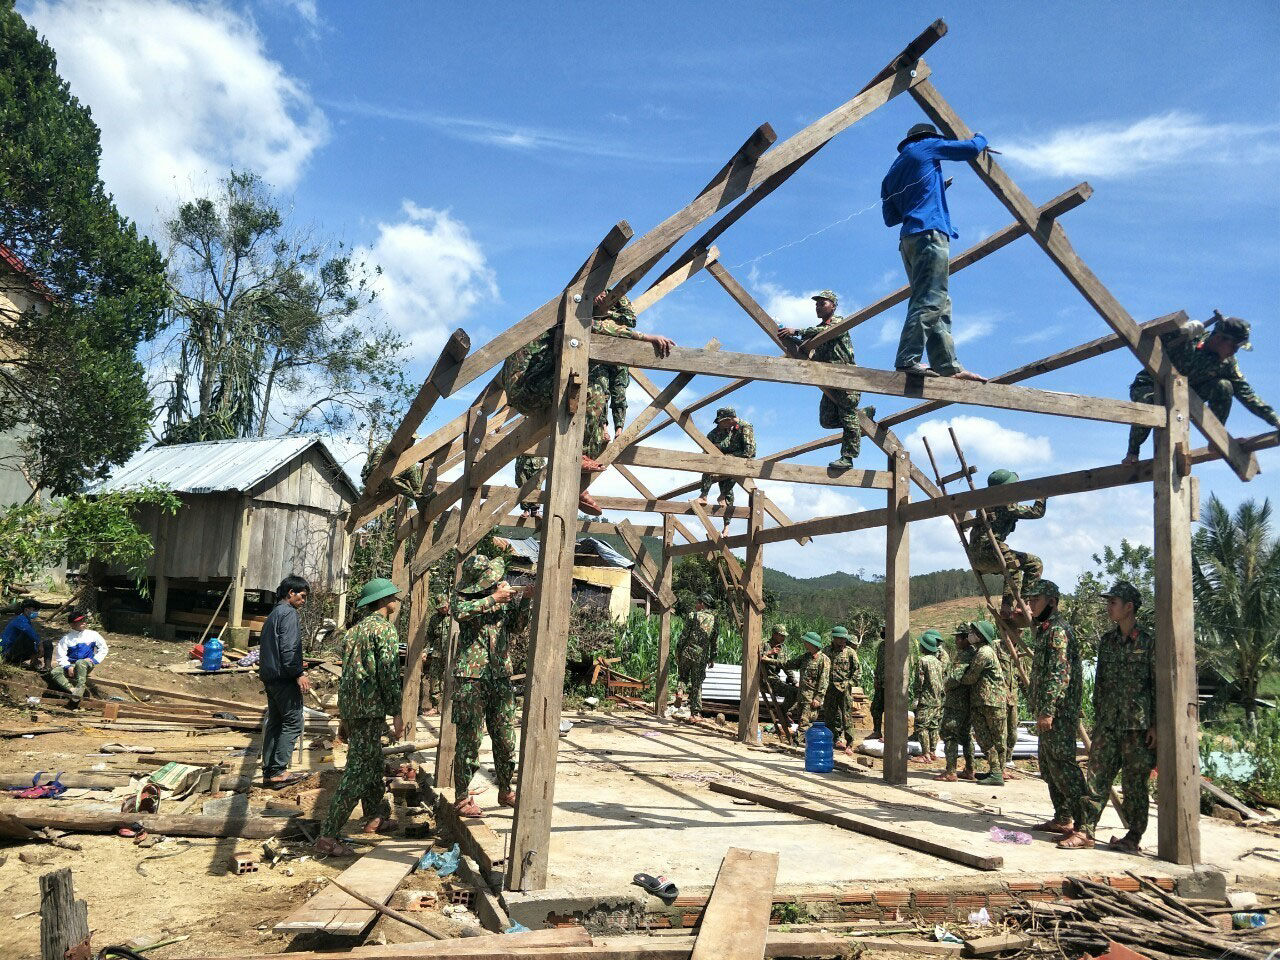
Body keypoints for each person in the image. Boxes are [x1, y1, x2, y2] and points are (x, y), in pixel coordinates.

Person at [501, 288, 675, 515]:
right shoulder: (573, 311)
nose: (603, 294)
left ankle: (578, 483)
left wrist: (617, 424)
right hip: (527, 386)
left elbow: (619, 386)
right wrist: (646, 337)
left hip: (535, 387)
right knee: (592, 382)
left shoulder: (591, 326)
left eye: (610, 297)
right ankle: (580, 458)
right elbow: (591, 325)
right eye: (600, 291)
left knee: (592, 382)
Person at [880, 123, 990, 382]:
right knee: (930, 299)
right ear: (928, 138)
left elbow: (890, 217)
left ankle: (947, 367)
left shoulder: (892, 172)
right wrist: (981, 137)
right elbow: (969, 149)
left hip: (908, 240)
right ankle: (907, 359)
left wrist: (931, 191)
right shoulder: (926, 146)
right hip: (929, 233)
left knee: (938, 300)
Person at [1066, 580, 1157, 852]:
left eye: (1112, 602)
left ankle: (1133, 837)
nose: (1108, 607)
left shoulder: (1149, 642)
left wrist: (1157, 725)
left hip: (1137, 727)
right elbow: (1102, 682)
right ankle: (1086, 831)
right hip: (1108, 723)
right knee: (1096, 776)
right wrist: (1098, 717)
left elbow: (1159, 685)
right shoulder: (1107, 641)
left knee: (1134, 784)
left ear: (1129, 607)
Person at [316, 578, 404, 856]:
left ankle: (375, 817)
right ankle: (328, 835)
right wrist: (397, 713)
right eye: (394, 597)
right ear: (384, 601)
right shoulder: (385, 631)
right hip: (371, 711)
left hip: (355, 709)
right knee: (357, 771)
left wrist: (344, 715)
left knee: (374, 762)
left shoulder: (352, 633)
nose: (397, 601)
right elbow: (388, 675)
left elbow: (347, 677)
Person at [1124, 313, 1278, 464]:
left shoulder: (1227, 364)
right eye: (1234, 347)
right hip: (1150, 384)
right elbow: (1149, 338)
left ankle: (1215, 438)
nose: (1234, 352)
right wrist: (1178, 331)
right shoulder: (1189, 338)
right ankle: (1133, 452)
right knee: (1150, 404)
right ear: (1219, 338)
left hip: (1184, 395)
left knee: (1223, 386)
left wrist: (1276, 421)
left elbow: (1248, 395)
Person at [451, 553, 532, 817]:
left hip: (499, 678)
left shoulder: (502, 601)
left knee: (505, 737)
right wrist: (492, 600)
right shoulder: (463, 599)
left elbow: (517, 627)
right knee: (469, 740)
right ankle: (462, 797)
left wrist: (525, 601)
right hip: (471, 678)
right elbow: (459, 613)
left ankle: (506, 789)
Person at [1021, 580, 1089, 841]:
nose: (1031, 605)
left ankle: (1084, 828)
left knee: (1064, 768)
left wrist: (1048, 709)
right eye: (1030, 600)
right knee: (1049, 768)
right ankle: (1063, 818)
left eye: (1035, 600)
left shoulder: (1058, 631)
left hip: (1059, 713)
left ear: (1051, 601)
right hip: (1048, 711)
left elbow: (1059, 674)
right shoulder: (1046, 630)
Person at [779, 290, 866, 470]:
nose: (818, 307)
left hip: (846, 378)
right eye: (817, 304)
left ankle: (848, 458)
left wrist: (797, 330)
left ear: (833, 306)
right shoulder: (817, 332)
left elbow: (823, 332)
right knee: (826, 420)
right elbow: (815, 345)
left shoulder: (838, 323)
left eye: (823, 303)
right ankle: (863, 415)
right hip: (829, 380)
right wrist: (794, 340)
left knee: (848, 416)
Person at [258, 575, 311, 788]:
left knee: (275, 722)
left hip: (271, 677)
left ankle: (269, 771)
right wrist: (298, 672)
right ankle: (279, 770)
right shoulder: (288, 614)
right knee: (292, 722)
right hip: (284, 678)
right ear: (291, 593)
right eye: (302, 596)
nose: (304, 601)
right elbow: (288, 649)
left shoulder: (273, 615)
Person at [969, 469, 1045, 609]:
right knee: (1035, 563)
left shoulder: (983, 505)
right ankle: (1024, 604)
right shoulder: (1005, 504)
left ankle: (1006, 607)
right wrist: (1042, 494)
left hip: (975, 558)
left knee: (1013, 566)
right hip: (991, 553)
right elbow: (1037, 512)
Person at [958, 621, 1006, 786]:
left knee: (989, 738)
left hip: (989, 702)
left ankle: (997, 773)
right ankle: (995, 771)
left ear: (981, 635)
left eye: (974, 631)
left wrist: (955, 679)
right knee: (987, 738)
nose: (970, 634)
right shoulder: (983, 651)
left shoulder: (984, 653)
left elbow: (971, 677)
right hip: (986, 701)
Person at [696, 408, 756, 531]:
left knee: (730, 482)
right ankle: (705, 495)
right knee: (711, 465)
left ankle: (726, 524)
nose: (720, 425)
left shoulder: (745, 427)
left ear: (728, 420)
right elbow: (707, 452)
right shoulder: (717, 432)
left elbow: (749, 452)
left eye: (721, 422)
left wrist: (725, 454)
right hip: (724, 463)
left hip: (739, 461)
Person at [937, 622, 977, 782]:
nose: (957, 641)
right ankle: (969, 769)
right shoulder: (973, 653)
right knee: (966, 735)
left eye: (959, 638)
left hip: (956, 702)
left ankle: (951, 771)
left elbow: (955, 677)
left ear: (966, 639)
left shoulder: (965, 655)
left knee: (949, 733)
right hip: (967, 702)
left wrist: (944, 686)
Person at [597, 294, 638, 435]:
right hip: (598, 350)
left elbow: (631, 320)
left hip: (619, 348)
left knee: (619, 391)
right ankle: (603, 429)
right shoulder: (587, 297)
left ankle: (619, 429)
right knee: (600, 389)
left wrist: (608, 313)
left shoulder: (618, 295)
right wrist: (594, 307)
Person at [48, 610, 108, 702]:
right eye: (80, 621)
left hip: (86, 664)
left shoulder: (93, 635)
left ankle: (80, 688)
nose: (84, 622)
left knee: (80, 662)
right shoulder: (66, 639)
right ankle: (73, 690)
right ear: (72, 624)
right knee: (55, 671)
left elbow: (104, 649)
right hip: (72, 666)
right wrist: (68, 666)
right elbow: (61, 656)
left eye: (84, 620)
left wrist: (94, 660)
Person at [677, 594, 719, 723]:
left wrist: (678, 650)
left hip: (687, 651)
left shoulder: (692, 616)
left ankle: (680, 692)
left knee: (683, 676)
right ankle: (695, 714)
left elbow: (684, 636)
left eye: (697, 602)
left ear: (702, 604)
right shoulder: (714, 620)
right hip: (701, 656)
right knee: (697, 684)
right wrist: (712, 657)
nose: (696, 605)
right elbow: (714, 641)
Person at [824, 626, 860, 753]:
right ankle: (834, 739)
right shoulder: (826, 651)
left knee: (846, 717)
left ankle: (850, 743)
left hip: (844, 689)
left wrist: (849, 683)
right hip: (829, 688)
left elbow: (857, 671)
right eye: (839, 638)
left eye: (844, 639)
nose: (842, 641)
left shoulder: (850, 652)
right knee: (830, 716)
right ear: (834, 638)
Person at [913, 630, 945, 762]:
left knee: (921, 726)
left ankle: (925, 754)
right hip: (937, 699)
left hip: (925, 699)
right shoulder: (938, 662)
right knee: (933, 726)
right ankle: (932, 752)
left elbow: (919, 680)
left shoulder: (922, 660)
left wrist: (916, 696)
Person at [792, 632, 831, 730]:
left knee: (804, 724)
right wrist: (769, 660)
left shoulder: (823, 660)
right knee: (802, 722)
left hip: (811, 698)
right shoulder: (805, 657)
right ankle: (803, 743)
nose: (804, 643)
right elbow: (789, 664)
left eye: (806, 641)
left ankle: (797, 743)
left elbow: (824, 680)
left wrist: (818, 698)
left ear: (812, 643)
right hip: (802, 697)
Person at [760, 625, 798, 721]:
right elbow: (755, 658)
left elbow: (786, 665)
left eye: (784, 636)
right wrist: (769, 653)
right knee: (791, 692)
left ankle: (784, 712)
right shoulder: (764, 644)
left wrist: (794, 681)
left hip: (775, 679)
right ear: (774, 634)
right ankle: (782, 713)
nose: (783, 638)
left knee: (798, 691)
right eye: (781, 635)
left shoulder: (782, 648)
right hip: (766, 679)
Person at [1, 598, 44, 667]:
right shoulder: (20, 620)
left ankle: (47, 667)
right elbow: (30, 633)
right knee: (27, 636)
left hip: (16, 651)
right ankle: (33, 659)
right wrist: (39, 644)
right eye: (34, 610)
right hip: (7, 652)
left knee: (47, 643)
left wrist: (39, 648)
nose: (36, 612)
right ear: (26, 610)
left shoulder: (27, 620)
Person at [514, 455, 547, 519]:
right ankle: (526, 510)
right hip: (522, 463)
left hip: (536, 463)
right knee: (523, 485)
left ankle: (535, 510)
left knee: (537, 485)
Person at [869, 629, 886, 739]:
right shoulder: (882, 646)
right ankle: (877, 731)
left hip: (890, 684)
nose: (882, 632)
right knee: (875, 708)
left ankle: (889, 734)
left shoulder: (896, 646)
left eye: (885, 630)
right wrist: (876, 678)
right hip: (880, 683)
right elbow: (879, 664)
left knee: (890, 710)